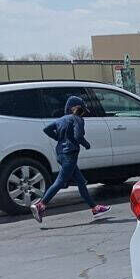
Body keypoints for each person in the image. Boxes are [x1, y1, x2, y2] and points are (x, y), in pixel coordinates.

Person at [30, 95, 109, 223]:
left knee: (81, 182)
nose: (83, 114)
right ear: (75, 109)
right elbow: (78, 136)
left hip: (60, 154)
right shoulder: (77, 119)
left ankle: (95, 208)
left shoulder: (61, 119)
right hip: (70, 155)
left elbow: (47, 129)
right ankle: (40, 205)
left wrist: (59, 138)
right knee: (60, 181)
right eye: (82, 110)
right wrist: (86, 144)